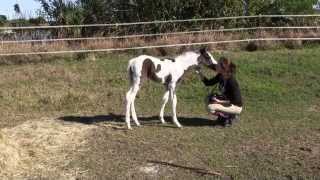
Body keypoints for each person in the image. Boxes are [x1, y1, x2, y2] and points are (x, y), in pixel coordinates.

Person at [196, 57, 243, 127]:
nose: (216, 65)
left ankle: (228, 118)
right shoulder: (221, 75)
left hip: (236, 106)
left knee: (210, 107)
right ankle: (225, 116)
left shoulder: (231, 82)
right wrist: (199, 72)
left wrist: (219, 101)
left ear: (223, 69)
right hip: (227, 101)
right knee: (208, 99)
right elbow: (208, 83)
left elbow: (235, 101)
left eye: (218, 65)